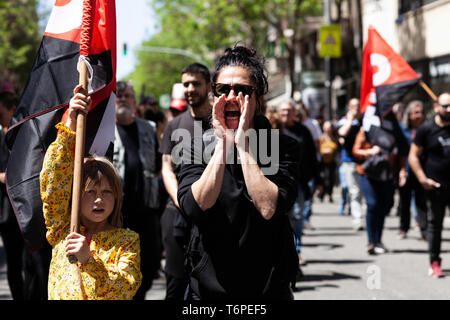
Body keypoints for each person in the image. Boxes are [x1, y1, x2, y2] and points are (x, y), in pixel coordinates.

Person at [177, 45, 300, 300]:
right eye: (223, 90)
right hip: (209, 291)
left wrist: (243, 144)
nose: (232, 97)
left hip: (267, 290)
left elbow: (269, 207)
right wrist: (222, 144)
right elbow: (195, 206)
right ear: (214, 95)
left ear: (259, 97)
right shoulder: (194, 146)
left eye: (242, 90)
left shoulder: (283, 148)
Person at [40, 85, 142, 299]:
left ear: (116, 197)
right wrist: (72, 122)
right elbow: (53, 179)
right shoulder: (62, 232)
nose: (99, 199)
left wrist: (89, 260)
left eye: (106, 192)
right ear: (76, 195)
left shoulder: (126, 241)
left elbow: (125, 288)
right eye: (90, 191)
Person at [160, 63, 212, 300]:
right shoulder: (174, 125)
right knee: (175, 283)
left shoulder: (220, 123)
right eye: (186, 84)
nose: (190, 89)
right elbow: (167, 168)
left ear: (209, 86)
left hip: (211, 216)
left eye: (196, 84)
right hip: (178, 216)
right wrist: (182, 201)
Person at [113, 81, 161, 299]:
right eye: (118, 95)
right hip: (117, 215)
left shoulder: (148, 129)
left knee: (149, 267)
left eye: (127, 96)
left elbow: (159, 165)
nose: (122, 99)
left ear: (134, 102)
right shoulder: (104, 131)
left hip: (147, 211)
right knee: (120, 270)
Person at [353, 112, 407, 255]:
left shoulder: (395, 132)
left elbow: (402, 153)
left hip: (387, 174)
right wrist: (370, 151)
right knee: (372, 204)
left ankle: (378, 240)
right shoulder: (367, 129)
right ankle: (371, 241)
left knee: (383, 206)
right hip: (368, 173)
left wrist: (402, 171)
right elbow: (356, 150)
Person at [409, 92, 450, 278]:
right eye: (446, 106)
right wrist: (422, 178)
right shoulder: (426, 129)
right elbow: (413, 156)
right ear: (436, 107)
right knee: (436, 225)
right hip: (436, 186)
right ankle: (434, 262)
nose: (449, 110)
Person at [278, 99, 319, 271]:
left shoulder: (303, 131)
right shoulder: (271, 128)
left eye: (289, 110)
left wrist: (316, 179)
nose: (286, 114)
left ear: (296, 112)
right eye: (283, 111)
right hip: (276, 182)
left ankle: (296, 251)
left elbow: (311, 155)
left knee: (296, 216)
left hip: (299, 182)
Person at [0, 91, 25, 300]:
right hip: (6, 212)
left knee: (32, 262)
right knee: (13, 261)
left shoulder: (24, 134)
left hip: (26, 209)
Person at [397, 100, 427, 240]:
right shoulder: (403, 130)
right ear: (409, 115)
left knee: (422, 200)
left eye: (420, 112)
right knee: (405, 200)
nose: (418, 116)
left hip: (422, 170)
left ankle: (424, 228)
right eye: (415, 113)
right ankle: (404, 227)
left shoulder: (427, 129)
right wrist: (401, 170)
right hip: (407, 169)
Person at [337, 98, 365, 231]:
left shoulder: (366, 120)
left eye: (358, 106)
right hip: (350, 162)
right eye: (353, 106)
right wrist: (351, 118)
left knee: (364, 191)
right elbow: (342, 132)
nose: (356, 108)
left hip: (365, 161)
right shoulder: (344, 121)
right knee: (354, 191)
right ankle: (357, 218)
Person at [318, 121, 339, 202]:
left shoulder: (334, 138)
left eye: (329, 127)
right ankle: (322, 194)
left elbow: (337, 148)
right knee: (324, 178)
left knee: (331, 179)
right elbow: (318, 150)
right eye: (326, 127)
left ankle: (330, 194)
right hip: (323, 161)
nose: (327, 129)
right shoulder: (321, 138)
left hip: (332, 161)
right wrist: (325, 151)